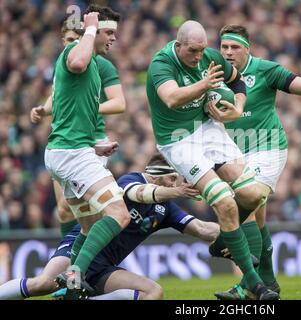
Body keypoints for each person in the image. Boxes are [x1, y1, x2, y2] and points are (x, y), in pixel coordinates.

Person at [212, 24, 301, 300]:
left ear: (247, 49)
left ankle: (246, 281)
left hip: (268, 148)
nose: (227, 52)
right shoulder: (213, 75)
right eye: (224, 47)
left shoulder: (265, 70)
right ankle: (269, 283)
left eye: (234, 47)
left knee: (246, 199)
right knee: (257, 221)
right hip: (234, 155)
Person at [146, 20, 278, 300]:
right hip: (178, 139)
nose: (198, 57)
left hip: (207, 128)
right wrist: (204, 84)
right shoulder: (162, 63)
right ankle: (255, 285)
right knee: (225, 202)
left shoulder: (209, 56)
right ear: (178, 45)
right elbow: (171, 98)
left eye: (202, 50)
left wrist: (237, 108)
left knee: (253, 195)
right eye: (192, 51)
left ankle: (222, 241)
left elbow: (237, 79)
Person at [0, 154, 218, 300]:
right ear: (156, 174)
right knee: (45, 284)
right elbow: (137, 194)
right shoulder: (130, 179)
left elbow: (202, 229)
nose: (175, 185)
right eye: (172, 179)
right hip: (80, 246)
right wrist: (176, 192)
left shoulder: (166, 208)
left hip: (103, 265)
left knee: (153, 292)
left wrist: (235, 230)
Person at [44, 4, 129, 295]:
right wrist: (90, 29)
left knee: (88, 226)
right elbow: (77, 62)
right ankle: (74, 277)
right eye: (108, 32)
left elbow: (72, 116)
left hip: (72, 150)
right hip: (71, 155)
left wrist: (95, 145)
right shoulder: (75, 55)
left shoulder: (94, 67)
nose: (113, 38)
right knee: (119, 214)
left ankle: (70, 287)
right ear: (91, 31)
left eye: (115, 33)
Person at [30, 18, 126, 239]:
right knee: (66, 212)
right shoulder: (66, 59)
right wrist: (43, 110)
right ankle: (71, 264)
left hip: (88, 142)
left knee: (101, 213)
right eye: (69, 40)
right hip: (70, 145)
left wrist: (86, 109)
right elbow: (58, 97)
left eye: (77, 39)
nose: (73, 44)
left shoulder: (100, 63)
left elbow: (119, 103)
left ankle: (83, 265)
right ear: (63, 41)